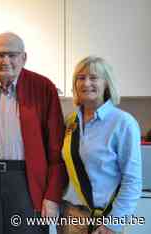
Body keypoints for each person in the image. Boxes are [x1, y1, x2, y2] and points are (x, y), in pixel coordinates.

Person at [0, 32, 67, 234]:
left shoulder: (44, 88)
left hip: (27, 182)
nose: (5, 61)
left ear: (24, 58)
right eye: (0, 55)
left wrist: (52, 196)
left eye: (12, 55)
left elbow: (56, 150)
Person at [58, 56, 142, 234]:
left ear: (106, 84)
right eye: (80, 78)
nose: (86, 83)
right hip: (69, 214)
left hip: (103, 220)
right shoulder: (70, 122)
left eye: (93, 77)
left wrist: (113, 224)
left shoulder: (123, 123)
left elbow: (132, 180)